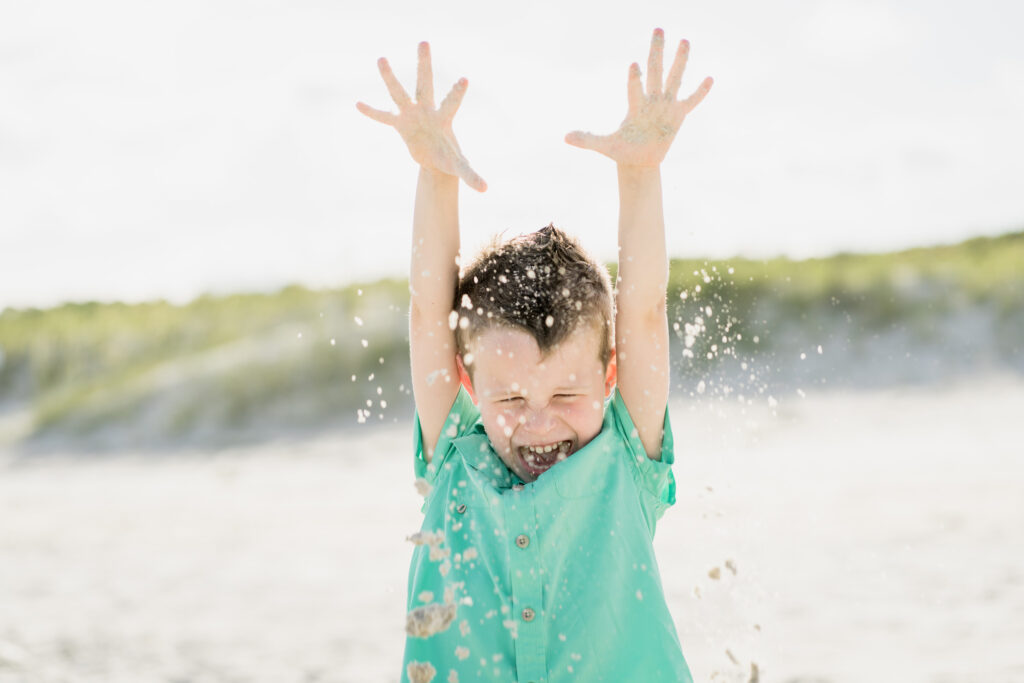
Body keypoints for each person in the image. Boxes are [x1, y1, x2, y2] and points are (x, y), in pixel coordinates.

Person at [357, 27, 712, 683]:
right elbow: (429, 309)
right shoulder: (455, 450)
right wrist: (436, 176)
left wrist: (640, 174)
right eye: (512, 399)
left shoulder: (625, 456)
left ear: (609, 377)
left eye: (566, 396)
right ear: (470, 381)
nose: (540, 423)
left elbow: (643, 307)